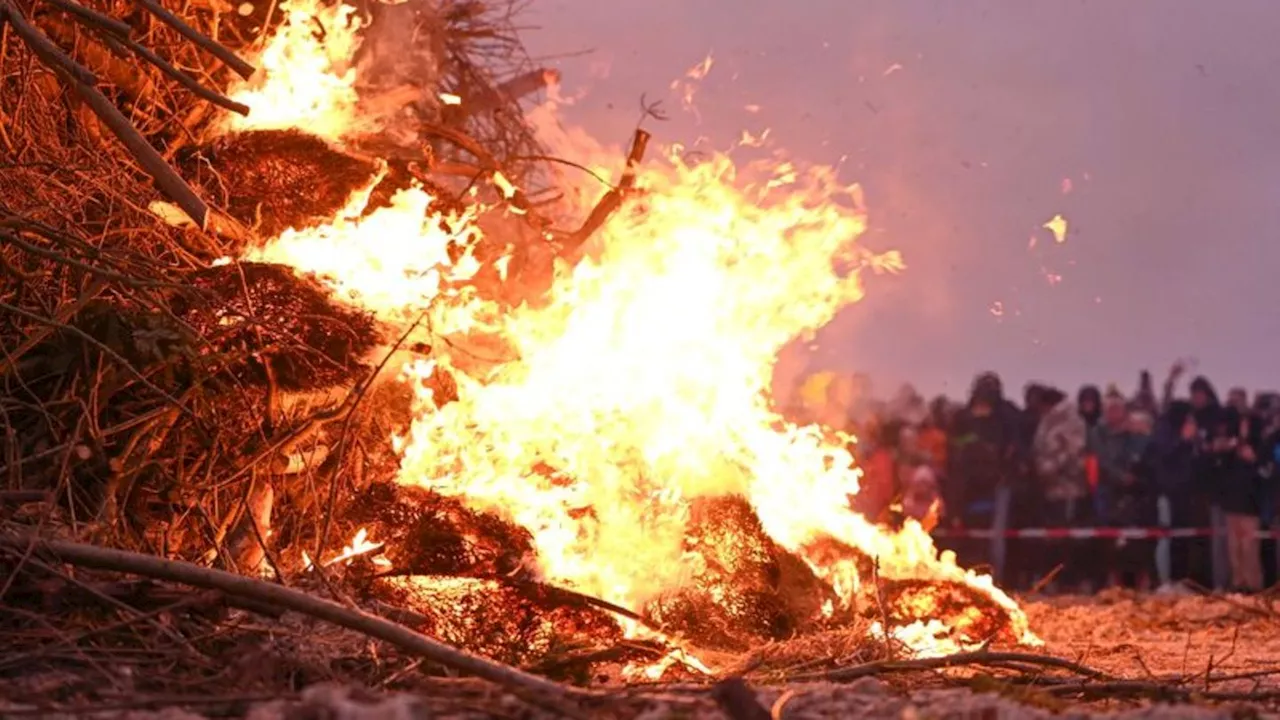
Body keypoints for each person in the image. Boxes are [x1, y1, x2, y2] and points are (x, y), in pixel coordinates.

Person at [947, 372, 1023, 584]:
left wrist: (1004, 468)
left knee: (996, 537)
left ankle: (996, 577)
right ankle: (964, 575)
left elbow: (1014, 449)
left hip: (999, 483)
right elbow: (956, 451)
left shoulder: (1007, 417)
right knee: (964, 532)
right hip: (969, 483)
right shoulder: (963, 418)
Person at [1028, 385, 1089, 591]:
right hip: (1052, 490)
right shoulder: (1050, 421)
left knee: (1067, 539)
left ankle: (1069, 581)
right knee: (1054, 538)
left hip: (1068, 489)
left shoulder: (1069, 422)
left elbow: (1073, 452)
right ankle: (1057, 579)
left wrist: (1049, 468)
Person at [1090, 392, 1154, 588]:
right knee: (1110, 540)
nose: (1113, 414)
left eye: (1117, 409)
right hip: (1110, 492)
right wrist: (1120, 476)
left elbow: (1142, 459)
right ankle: (1114, 581)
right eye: (1110, 409)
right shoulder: (1100, 434)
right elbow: (1102, 461)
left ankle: (1140, 580)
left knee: (1138, 541)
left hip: (1135, 494)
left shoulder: (1135, 436)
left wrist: (1135, 477)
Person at [1148, 401, 1198, 590]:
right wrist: (1183, 440)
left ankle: (1180, 579)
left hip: (1185, 493)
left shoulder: (1185, 434)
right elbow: (1165, 455)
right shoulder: (1164, 431)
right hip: (1167, 493)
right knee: (1166, 537)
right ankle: (1165, 580)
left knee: (1182, 538)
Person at [1189, 376, 1229, 589]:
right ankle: (1200, 580)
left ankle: (1220, 581)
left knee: (1219, 537)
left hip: (1217, 488)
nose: (1196, 398)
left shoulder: (1218, 418)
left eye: (1199, 394)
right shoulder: (1191, 418)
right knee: (1199, 537)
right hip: (1194, 487)